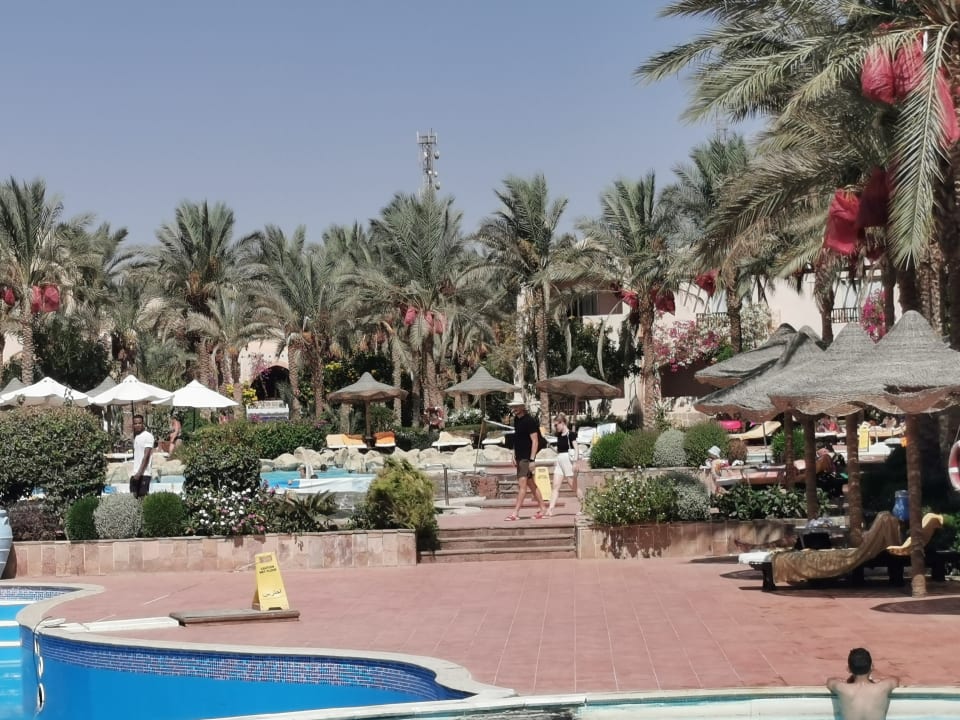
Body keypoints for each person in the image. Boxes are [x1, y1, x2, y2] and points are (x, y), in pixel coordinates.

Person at [826, 648, 898, 720]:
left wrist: (848, 681)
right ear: (871, 667)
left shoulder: (842, 689)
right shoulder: (883, 687)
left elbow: (830, 682)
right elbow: (895, 680)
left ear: (849, 669)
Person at [505, 396, 546, 521]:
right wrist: (513, 454)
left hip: (526, 458)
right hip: (519, 456)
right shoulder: (516, 420)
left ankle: (515, 513)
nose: (514, 409)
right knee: (531, 484)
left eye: (516, 406)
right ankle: (543, 508)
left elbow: (535, 441)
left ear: (523, 407)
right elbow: (517, 438)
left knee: (522, 485)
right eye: (513, 406)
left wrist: (532, 460)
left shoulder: (530, 421)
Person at [547, 414, 581, 516]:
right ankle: (550, 509)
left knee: (573, 486)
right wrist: (551, 447)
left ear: (562, 423)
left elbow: (576, 448)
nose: (555, 427)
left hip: (568, 460)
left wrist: (575, 462)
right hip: (560, 460)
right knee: (555, 486)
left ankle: (585, 505)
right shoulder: (559, 435)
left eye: (556, 425)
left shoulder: (571, 434)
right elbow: (559, 451)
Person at [129, 414, 154, 498]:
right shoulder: (136, 437)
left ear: (143, 424)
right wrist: (135, 474)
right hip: (135, 474)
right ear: (133, 425)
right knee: (132, 499)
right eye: (135, 423)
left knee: (142, 499)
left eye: (139, 423)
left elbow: (146, 456)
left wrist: (139, 473)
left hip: (144, 474)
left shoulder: (148, 436)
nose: (137, 425)